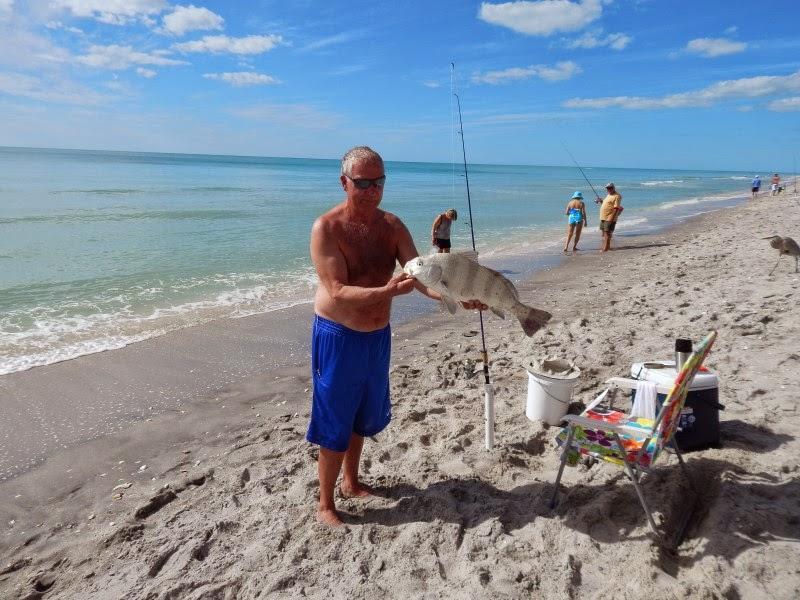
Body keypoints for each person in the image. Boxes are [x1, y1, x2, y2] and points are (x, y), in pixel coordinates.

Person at [307, 146, 486, 527]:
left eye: (379, 181)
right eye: (363, 182)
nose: (373, 189)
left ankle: (351, 482)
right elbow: (337, 291)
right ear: (345, 183)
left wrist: (457, 296)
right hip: (339, 335)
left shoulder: (392, 226)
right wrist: (389, 292)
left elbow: (422, 276)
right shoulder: (327, 228)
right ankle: (325, 503)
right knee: (335, 418)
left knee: (361, 415)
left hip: (377, 336)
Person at [598, 182, 623, 253]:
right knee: (604, 233)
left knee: (607, 233)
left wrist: (611, 218)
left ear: (614, 188)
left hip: (609, 217)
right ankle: (607, 247)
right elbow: (608, 204)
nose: (609, 189)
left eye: (610, 188)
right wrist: (601, 201)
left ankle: (605, 248)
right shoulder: (609, 195)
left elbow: (616, 208)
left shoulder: (617, 196)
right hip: (603, 217)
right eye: (607, 188)